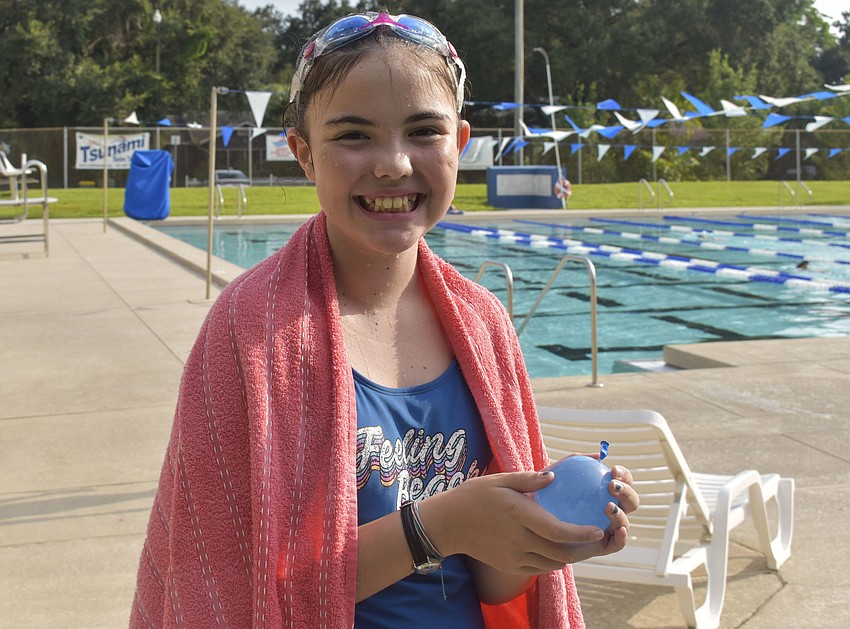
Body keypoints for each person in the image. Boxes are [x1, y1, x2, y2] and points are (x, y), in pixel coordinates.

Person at [130, 12, 638, 628]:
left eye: (424, 131)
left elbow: (495, 581)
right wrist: (437, 526)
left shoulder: (483, 324)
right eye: (353, 135)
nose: (394, 164)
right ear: (303, 153)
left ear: (460, 144)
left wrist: (555, 534)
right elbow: (239, 582)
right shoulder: (252, 331)